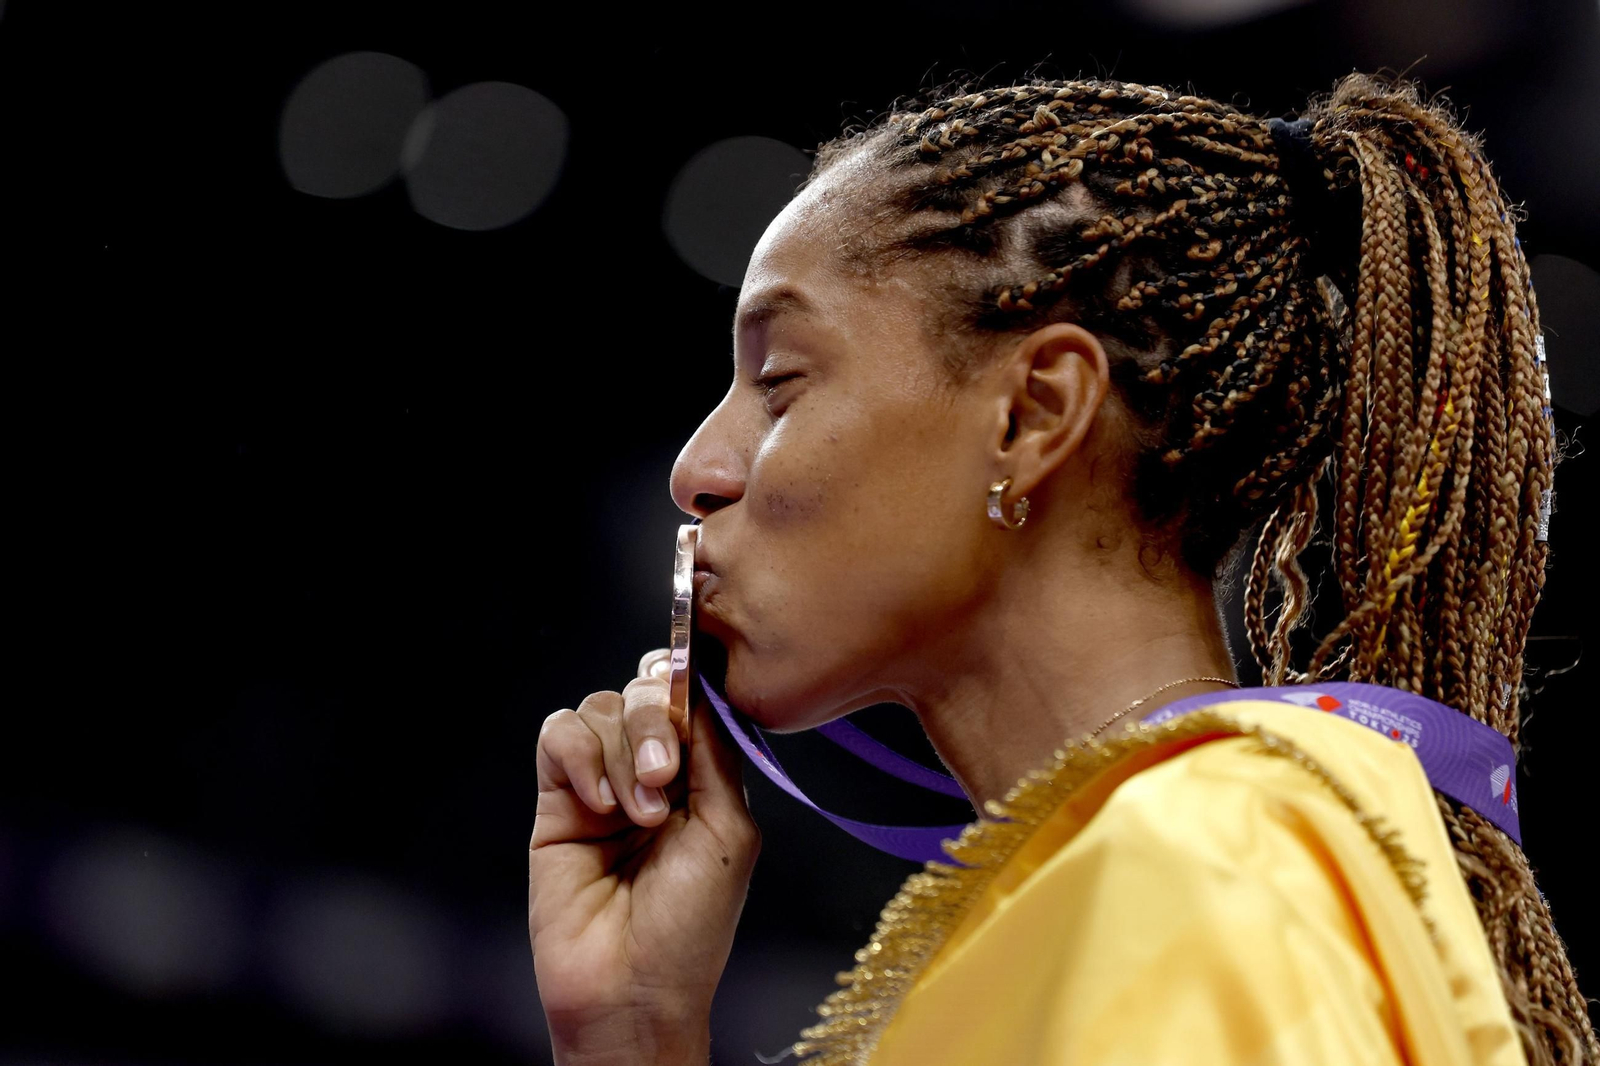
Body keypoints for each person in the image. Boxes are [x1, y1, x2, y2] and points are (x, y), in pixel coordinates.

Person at [527, 72, 1596, 1065]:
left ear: (1034, 414)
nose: (696, 470)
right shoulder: (1181, 858)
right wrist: (635, 1030)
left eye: (781, 381)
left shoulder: (1197, 864)